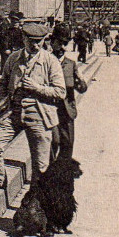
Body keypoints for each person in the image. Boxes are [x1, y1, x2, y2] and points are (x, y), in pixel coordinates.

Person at [0, 23, 66, 189]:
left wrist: (37, 88)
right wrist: (4, 105)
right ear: (23, 39)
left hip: (39, 114)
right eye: (31, 41)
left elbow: (60, 92)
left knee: (41, 165)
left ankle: (36, 201)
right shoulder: (13, 58)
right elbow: (3, 83)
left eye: (39, 41)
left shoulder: (50, 61)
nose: (35, 45)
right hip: (13, 112)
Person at [48, 26, 88, 162]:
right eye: (58, 42)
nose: (61, 47)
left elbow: (82, 88)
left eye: (64, 43)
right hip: (50, 109)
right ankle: (50, 174)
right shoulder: (45, 61)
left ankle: (64, 173)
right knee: (53, 142)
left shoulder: (71, 64)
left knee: (68, 143)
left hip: (66, 110)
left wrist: (81, 82)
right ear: (51, 42)